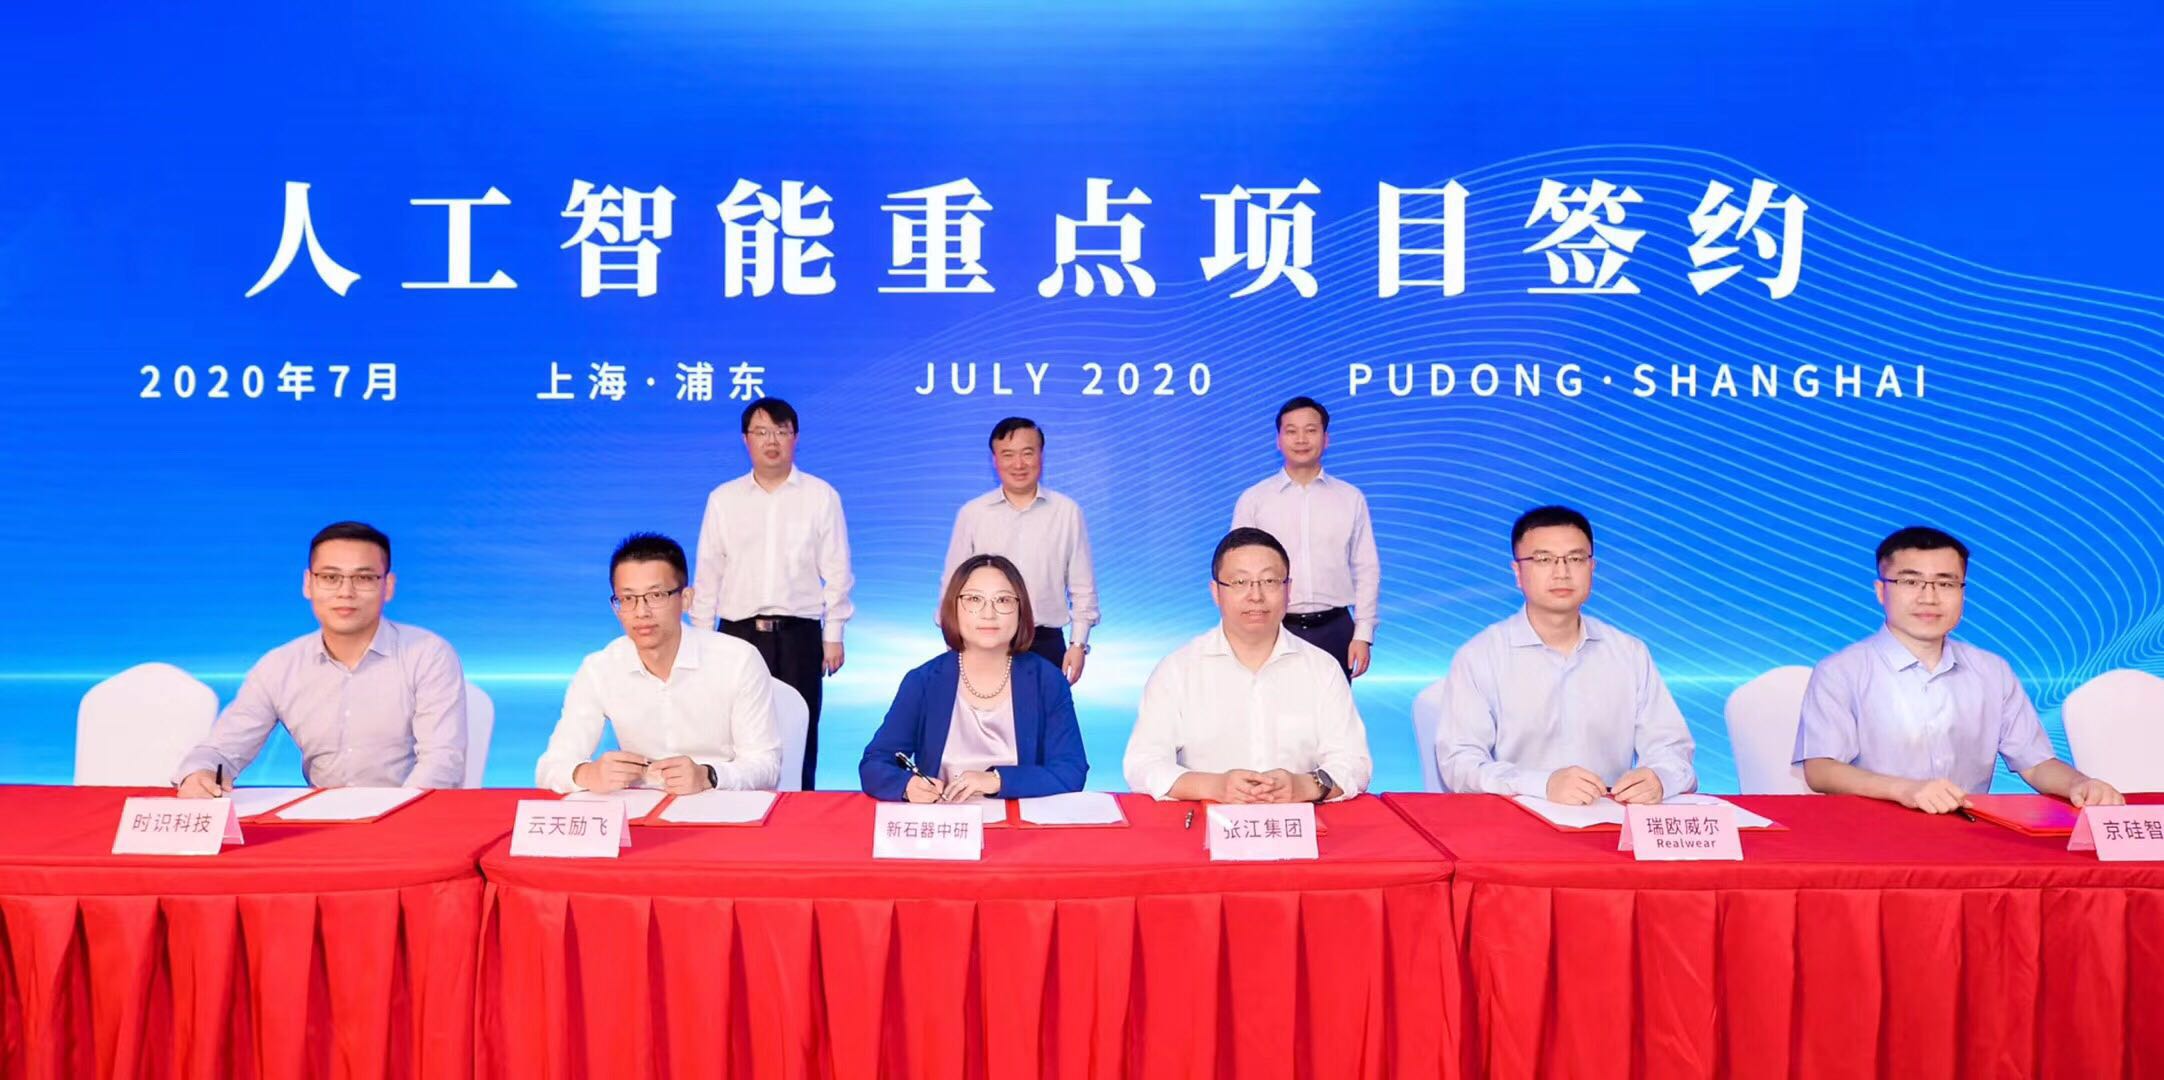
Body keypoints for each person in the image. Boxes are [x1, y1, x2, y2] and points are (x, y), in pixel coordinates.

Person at [1794, 526, 2123, 813]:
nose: (1929, 597)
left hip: (1970, 834)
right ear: (1881, 591)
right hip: (1871, 833)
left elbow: (2036, 764)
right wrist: (1904, 790)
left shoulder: (1992, 671)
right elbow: (1821, 770)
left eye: (1946, 584)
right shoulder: (1841, 671)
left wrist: (2080, 784)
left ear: (1962, 592)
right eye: (1911, 581)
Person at [175, 521, 466, 795]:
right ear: (308, 584)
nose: (346, 592)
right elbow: (222, 750)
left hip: (409, 818)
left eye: (364, 578)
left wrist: (393, 816)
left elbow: (442, 761)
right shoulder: (280, 666)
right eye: (330, 577)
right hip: (322, 819)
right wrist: (200, 773)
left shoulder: (428, 655)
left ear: (388, 586)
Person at [1435, 505, 1696, 805]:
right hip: (1516, 819)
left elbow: (1672, 749)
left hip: (1610, 819)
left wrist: (1659, 778)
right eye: (1544, 559)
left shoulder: (1629, 653)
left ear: (1592, 567)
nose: (1562, 572)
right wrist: (1542, 785)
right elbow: (1459, 764)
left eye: (1575, 558)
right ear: (1518, 572)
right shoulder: (1480, 656)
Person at [1122, 528, 1372, 802]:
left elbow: (1354, 763)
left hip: (1300, 821)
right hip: (1205, 821)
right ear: (1216, 592)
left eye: (1269, 581)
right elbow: (1142, 764)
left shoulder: (1323, 669)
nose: (1256, 595)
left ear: (1288, 589)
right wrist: (1214, 786)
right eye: (1240, 582)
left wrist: (1304, 785)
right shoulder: (1177, 670)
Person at [688, 397, 853, 789]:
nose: (772, 441)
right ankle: (733, 805)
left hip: (800, 635)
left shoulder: (821, 495)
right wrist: (701, 639)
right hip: (738, 634)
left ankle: (800, 808)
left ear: (796, 437)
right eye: (761, 432)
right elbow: (709, 572)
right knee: (732, 733)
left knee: (800, 731)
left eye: (781, 431)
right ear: (745, 439)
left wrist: (833, 634)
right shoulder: (723, 499)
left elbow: (837, 569)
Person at [536, 533, 782, 794]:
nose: (641, 612)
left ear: (686, 599)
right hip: (637, 809)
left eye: (656, 595)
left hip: (721, 801)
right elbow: (550, 767)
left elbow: (766, 765)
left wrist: (709, 775)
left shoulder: (738, 660)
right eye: (628, 599)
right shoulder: (599, 668)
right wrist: (586, 774)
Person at [859, 554, 1088, 801]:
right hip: (944, 820)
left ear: (1021, 610)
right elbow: (875, 763)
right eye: (974, 599)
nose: (988, 613)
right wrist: (907, 786)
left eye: (1003, 600)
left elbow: (1071, 770)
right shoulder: (923, 682)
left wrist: (996, 780)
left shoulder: (1047, 681)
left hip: (1019, 820)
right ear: (953, 608)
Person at [1231, 395, 1380, 679]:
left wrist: (1363, 633)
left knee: (1332, 707)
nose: (1301, 439)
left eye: (1311, 430)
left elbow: (1366, 569)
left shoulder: (1350, 498)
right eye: (1291, 431)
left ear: (1326, 439)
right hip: (1272, 629)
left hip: (1336, 629)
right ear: (1278, 440)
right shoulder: (1254, 500)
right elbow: (1236, 572)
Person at [942, 417, 1098, 684]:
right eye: (1008, 455)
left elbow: (1082, 585)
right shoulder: (973, 513)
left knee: (1045, 711)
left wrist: (1079, 644)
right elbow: (951, 586)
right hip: (983, 639)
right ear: (994, 460)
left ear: (1041, 455)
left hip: (1045, 643)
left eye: (1027, 453)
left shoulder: (1066, 512)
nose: (1018, 464)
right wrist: (953, 644)